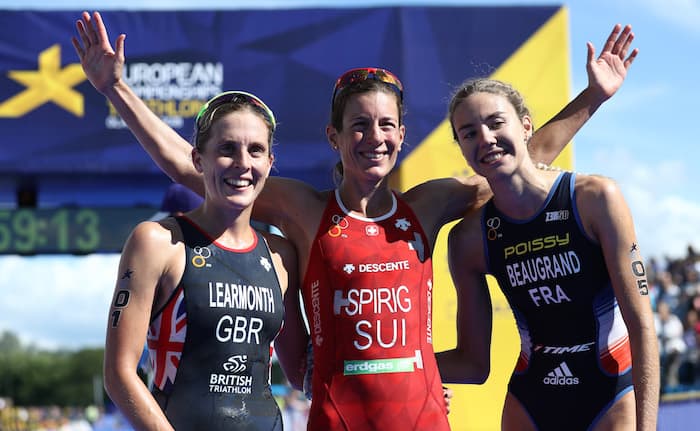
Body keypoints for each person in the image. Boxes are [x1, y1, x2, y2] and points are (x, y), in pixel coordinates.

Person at [73, 10, 636, 430]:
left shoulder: (429, 205)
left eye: (386, 125)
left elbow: (516, 157)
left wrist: (593, 97)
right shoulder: (304, 209)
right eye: (359, 126)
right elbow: (184, 163)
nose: (374, 138)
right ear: (334, 139)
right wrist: (115, 87)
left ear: (401, 137)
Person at [436, 77, 659, 430]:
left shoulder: (595, 198)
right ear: (461, 148)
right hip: (531, 401)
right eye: (469, 133)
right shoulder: (468, 240)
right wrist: (394, 367)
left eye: (496, 123)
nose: (486, 139)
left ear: (526, 125)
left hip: (610, 394)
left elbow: (642, 327)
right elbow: (474, 365)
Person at [86, 87, 308, 428]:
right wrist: (114, 87)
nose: (243, 163)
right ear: (197, 160)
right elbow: (118, 374)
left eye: (256, 150)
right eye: (227, 149)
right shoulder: (157, 242)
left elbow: (301, 372)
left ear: (269, 163)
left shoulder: (280, 255)